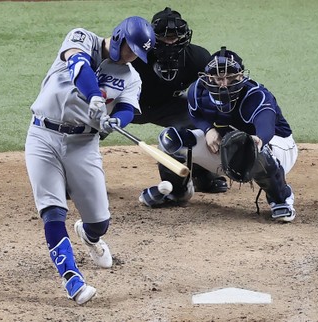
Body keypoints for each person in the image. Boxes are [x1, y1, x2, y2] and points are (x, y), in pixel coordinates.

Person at [24, 16, 155, 305]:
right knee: (53, 210)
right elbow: (79, 65)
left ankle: (90, 236)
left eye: (137, 53)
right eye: (130, 49)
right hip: (43, 136)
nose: (131, 56)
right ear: (119, 37)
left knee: (100, 222)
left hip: (83, 145)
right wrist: (95, 96)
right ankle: (71, 278)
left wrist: (115, 122)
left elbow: (127, 109)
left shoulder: (131, 77)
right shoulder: (82, 38)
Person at [140, 47, 298, 222]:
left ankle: (281, 198)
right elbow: (195, 114)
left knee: (253, 149)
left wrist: (258, 140)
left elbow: (266, 125)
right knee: (170, 139)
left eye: (230, 77)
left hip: (278, 148)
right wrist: (208, 130)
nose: (224, 83)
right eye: (218, 77)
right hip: (229, 149)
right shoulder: (198, 91)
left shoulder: (256, 95)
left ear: (241, 76)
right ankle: (177, 192)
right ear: (208, 77)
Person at [131, 7, 228, 194]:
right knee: (91, 123)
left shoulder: (198, 58)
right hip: (128, 105)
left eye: (175, 38)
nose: (170, 43)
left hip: (168, 106)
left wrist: (211, 124)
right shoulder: (134, 54)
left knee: (204, 119)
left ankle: (203, 174)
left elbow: (210, 95)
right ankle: (77, 176)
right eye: (165, 38)